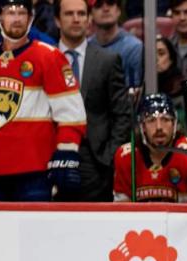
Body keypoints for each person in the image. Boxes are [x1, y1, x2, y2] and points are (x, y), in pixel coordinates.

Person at [0, 0, 86, 201]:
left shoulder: (49, 56)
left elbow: (71, 114)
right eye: (10, 12)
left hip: (35, 172)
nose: (16, 18)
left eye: (22, 13)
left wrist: (66, 153)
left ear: (30, 18)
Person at [55, 0, 131, 201]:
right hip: (51, 156)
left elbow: (122, 113)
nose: (76, 19)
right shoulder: (44, 58)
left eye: (81, 14)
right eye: (69, 14)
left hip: (95, 161)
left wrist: (109, 157)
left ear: (89, 20)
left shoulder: (108, 60)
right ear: (57, 20)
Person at [113, 93, 187, 203]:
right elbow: (122, 211)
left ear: (174, 124)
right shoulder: (126, 157)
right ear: (142, 127)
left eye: (165, 119)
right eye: (151, 120)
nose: (159, 127)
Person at [88, 0, 143, 89]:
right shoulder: (86, 47)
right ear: (90, 14)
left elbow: (134, 92)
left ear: (118, 11)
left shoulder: (134, 47)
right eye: (98, 5)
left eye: (110, 3)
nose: (105, 9)